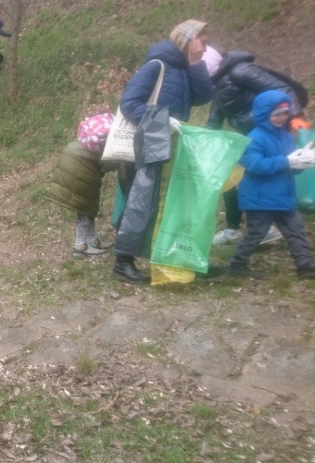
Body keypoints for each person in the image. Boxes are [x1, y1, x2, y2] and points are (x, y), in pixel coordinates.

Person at [111, 20, 215, 283]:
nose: (205, 46)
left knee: (166, 203)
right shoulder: (155, 66)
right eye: (202, 41)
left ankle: (167, 255)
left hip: (172, 145)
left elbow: (203, 97)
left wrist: (195, 63)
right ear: (187, 39)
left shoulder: (184, 68)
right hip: (147, 144)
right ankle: (122, 263)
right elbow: (129, 104)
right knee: (141, 203)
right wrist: (162, 118)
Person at [205, 47, 310, 246]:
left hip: (269, 135)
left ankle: (267, 228)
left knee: (259, 179)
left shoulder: (240, 71)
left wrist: (295, 116)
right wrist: (197, 141)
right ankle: (233, 229)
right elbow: (214, 119)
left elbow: (282, 89)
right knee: (230, 175)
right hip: (250, 137)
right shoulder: (218, 86)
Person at [227, 91, 315, 279]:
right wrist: (287, 162)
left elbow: (291, 165)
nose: (281, 118)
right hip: (260, 198)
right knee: (256, 233)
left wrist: (301, 162)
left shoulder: (286, 137)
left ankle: (305, 267)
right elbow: (255, 166)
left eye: (284, 113)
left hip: (284, 196)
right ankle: (237, 264)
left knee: (296, 230)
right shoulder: (254, 138)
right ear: (264, 115)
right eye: (276, 114)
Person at [46, 112, 117, 255]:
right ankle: (80, 247)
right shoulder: (113, 137)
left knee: (88, 206)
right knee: (85, 207)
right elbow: (106, 161)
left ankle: (92, 240)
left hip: (73, 155)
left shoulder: (95, 135)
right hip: (80, 165)